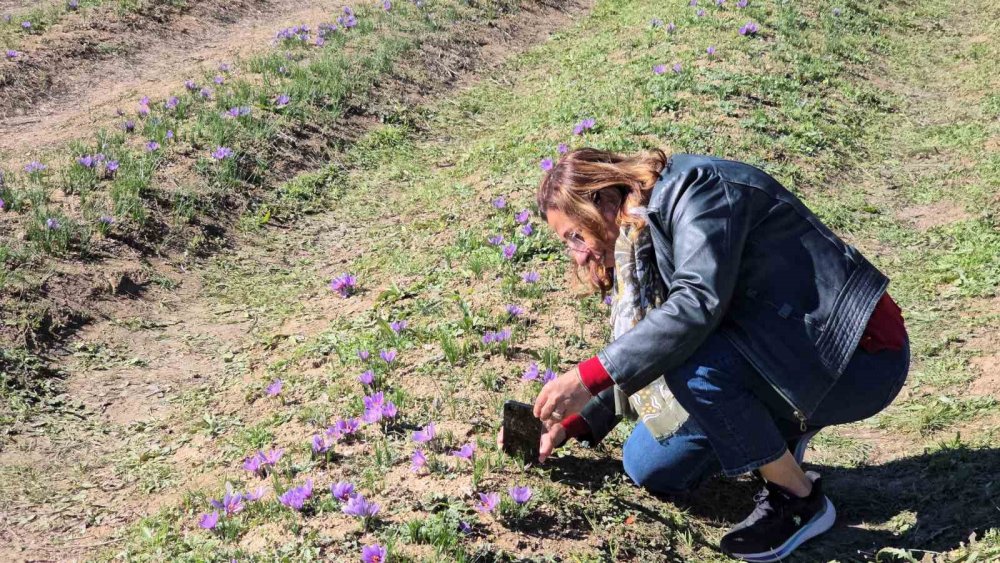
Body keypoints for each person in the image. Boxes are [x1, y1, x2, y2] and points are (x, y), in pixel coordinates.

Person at [518, 148, 909, 562]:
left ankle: (799, 500)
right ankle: (780, 430)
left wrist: (586, 378)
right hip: (775, 349)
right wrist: (574, 421)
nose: (578, 255)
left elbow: (695, 306)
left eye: (576, 235)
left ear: (604, 200)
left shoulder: (698, 189)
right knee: (650, 465)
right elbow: (652, 340)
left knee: (693, 368)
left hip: (853, 357)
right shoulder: (636, 238)